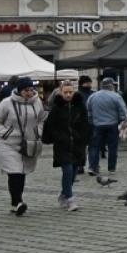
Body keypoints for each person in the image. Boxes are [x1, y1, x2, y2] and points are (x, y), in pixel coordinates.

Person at [0, 77, 45, 216]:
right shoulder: (7, 103)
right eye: (25, 90)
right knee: (15, 172)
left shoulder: (37, 102)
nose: (29, 92)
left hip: (28, 143)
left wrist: (38, 131)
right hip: (9, 143)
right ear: (19, 90)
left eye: (30, 89)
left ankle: (14, 203)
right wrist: (5, 133)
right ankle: (18, 202)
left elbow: (41, 119)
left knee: (22, 173)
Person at [44, 80, 90, 212]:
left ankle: (64, 194)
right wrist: (59, 137)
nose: (68, 95)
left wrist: (83, 137)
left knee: (74, 172)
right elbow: (51, 126)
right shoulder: (56, 107)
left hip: (77, 144)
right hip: (63, 145)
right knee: (68, 170)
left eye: (70, 92)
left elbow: (85, 122)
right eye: (66, 92)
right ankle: (70, 199)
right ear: (60, 92)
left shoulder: (80, 105)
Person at [85, 77, 127, 176]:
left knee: (94, 146)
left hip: (97, 125)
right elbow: (123, 110)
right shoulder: (116, 96)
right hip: (112, 125)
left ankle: (93, 167)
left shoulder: (93, 96)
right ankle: (111, 167)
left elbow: (89, 110)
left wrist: (92, 121)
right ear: (111, 85)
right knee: (112, 147)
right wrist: (123, 121)